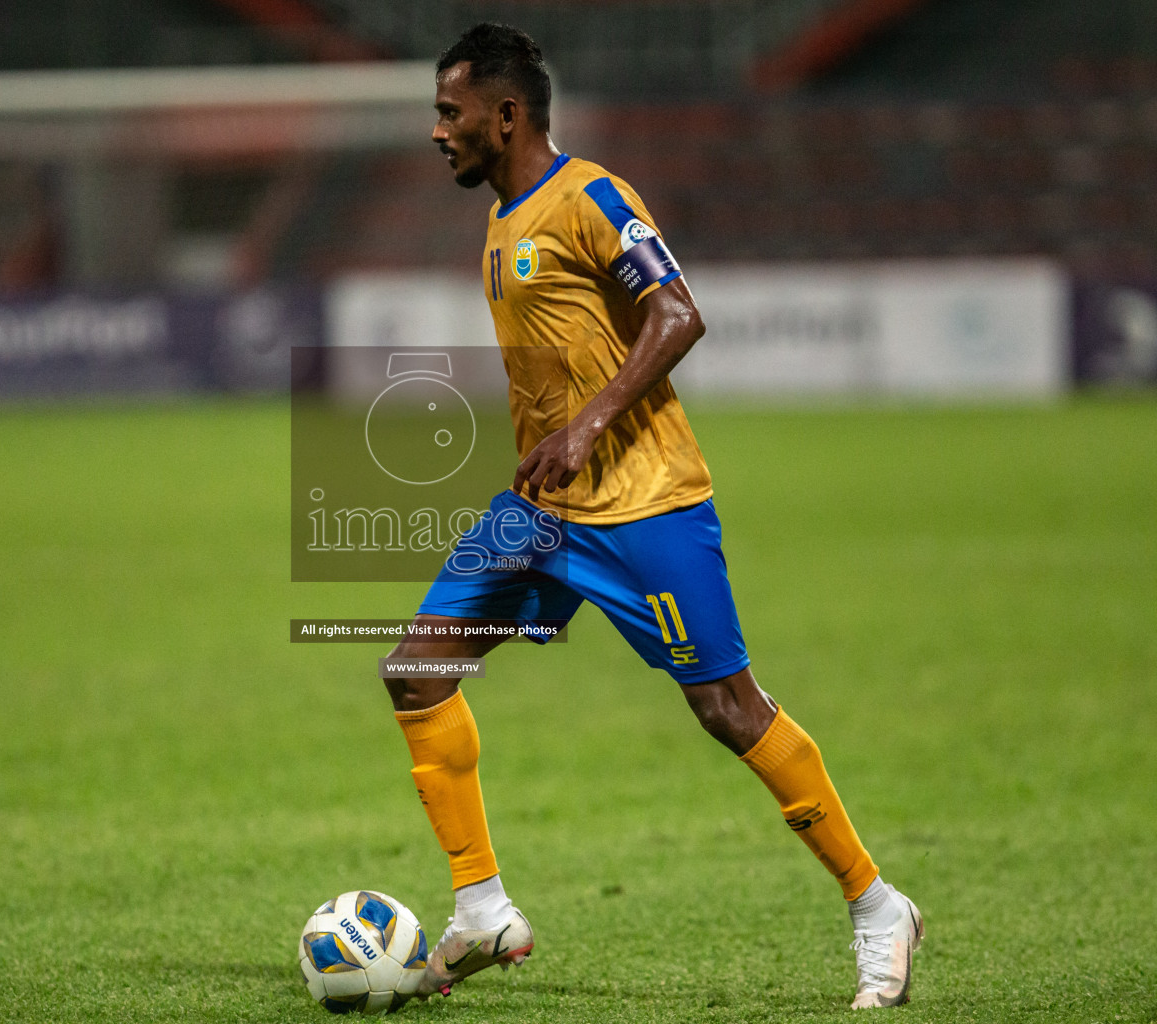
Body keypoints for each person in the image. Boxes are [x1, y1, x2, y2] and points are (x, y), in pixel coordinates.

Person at [384, 22, 923, 1011]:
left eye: (449, 112)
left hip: (645, 506)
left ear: (506, 115)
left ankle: (876, 901)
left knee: (727, 708)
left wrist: (587, 426)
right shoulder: (502, 219)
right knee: (417, 668)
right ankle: (480, 908)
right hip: (544, 514)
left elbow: (680, 312)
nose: (436, 131)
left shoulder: (591, 196)